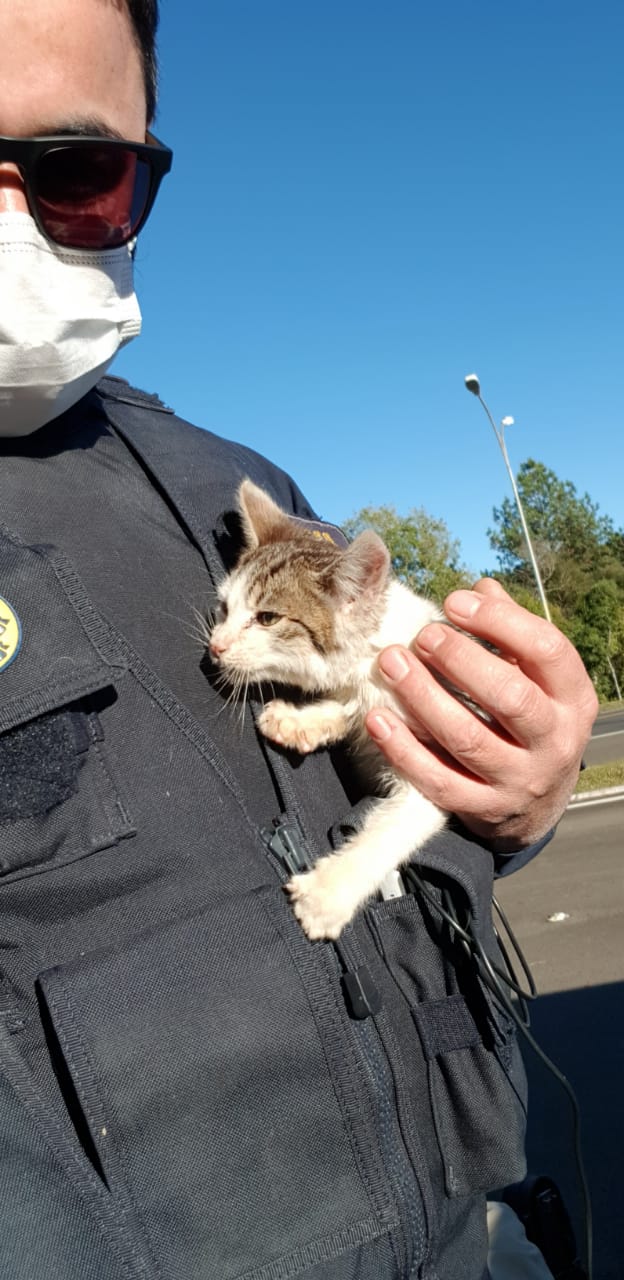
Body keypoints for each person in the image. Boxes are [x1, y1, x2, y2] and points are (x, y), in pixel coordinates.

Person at [0, 3, 597, 1278]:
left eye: (77, 169)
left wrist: (518, 797)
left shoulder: (231, 473)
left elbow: (417, 803)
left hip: (473, 1226)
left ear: (147, 162)